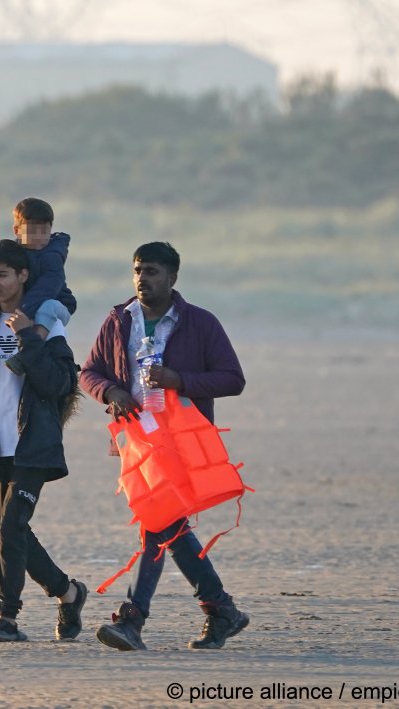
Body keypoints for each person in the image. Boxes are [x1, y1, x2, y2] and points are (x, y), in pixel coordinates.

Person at [79, 241, 249, 651]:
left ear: (172, 278)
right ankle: (221, 610)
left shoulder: (200, 323)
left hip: (184, 440)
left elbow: (232, 379)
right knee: (168, 525)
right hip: (138, 442)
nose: (142, 278)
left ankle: (133, 620)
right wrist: (112, 393)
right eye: (138, 270)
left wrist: (180, 379)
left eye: (152, 271)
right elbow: (89, 373)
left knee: (160, 524)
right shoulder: (119, 321)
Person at [0, 239, 87, 643]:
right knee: (12, 529)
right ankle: (69, 592)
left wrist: (29, 337)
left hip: (33, 445)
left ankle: (7, 619)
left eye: (3, 275)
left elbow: (59, 383)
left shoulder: (47, 324)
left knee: (11, 526)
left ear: (24, 275)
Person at [0, 197, 76, 375]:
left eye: (44, 232)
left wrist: (24, 311)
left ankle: (29, 349)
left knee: (46, 309)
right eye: (32, 232)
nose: (39, 238)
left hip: (57, 304)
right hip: (27, 305)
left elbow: (49, 286)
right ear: (17, 231)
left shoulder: (51, 255)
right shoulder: (14, 252)